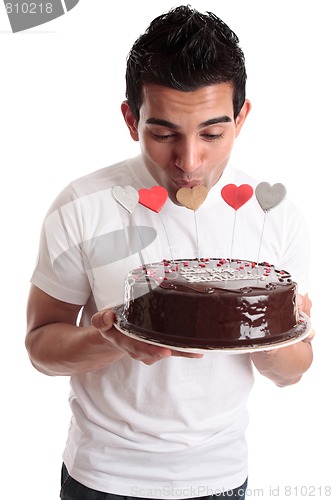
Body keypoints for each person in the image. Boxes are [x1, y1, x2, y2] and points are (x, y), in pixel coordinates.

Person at [25, 6, 314, 500]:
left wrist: (262, 329)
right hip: (102, 477)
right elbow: (41, 348)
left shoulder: (274, 213)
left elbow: (295, 370)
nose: (189, 162)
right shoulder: (82, 205)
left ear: (241, 118)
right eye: (163, 134)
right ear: (130, 119)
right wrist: (115, 338)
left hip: (221, 476)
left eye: (212, 133)